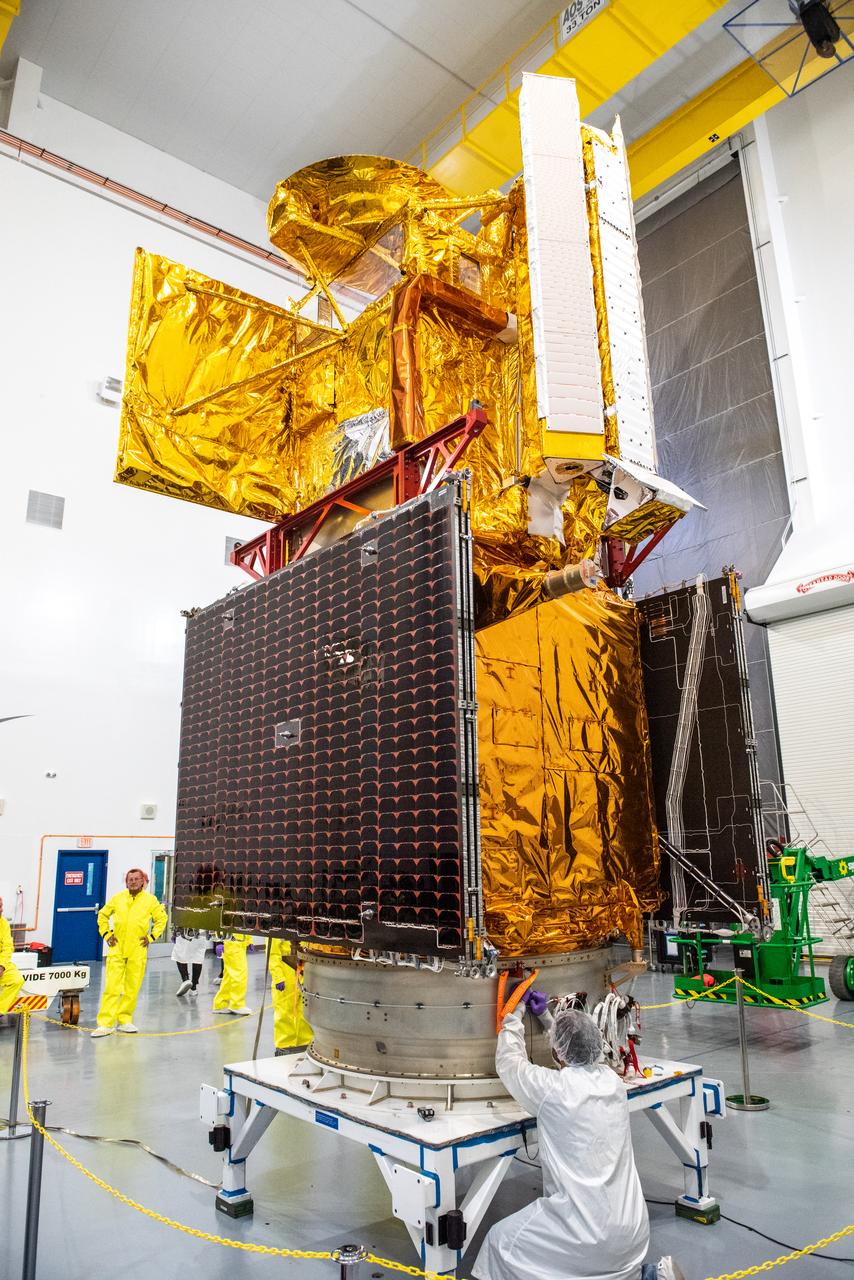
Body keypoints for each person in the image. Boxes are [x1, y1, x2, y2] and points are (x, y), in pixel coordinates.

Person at [474, 993, 685, 1280]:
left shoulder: (553, 1091)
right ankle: (647, 1277)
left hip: (584, 1235)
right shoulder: (614, 1084)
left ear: (558, 1051)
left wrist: (515, 1015)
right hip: (633, 1233)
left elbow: (511, 1064)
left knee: (499, 1244)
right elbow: (574, 1051)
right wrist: (549, 1020)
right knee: (605, 1267)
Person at [91, 868, 167, 1038]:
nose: (132, 881)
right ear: (126, 882)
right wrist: (107, 934)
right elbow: (102, 915)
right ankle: (105, 1024)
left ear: (143, 881)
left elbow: (162, 919)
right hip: (116, 949)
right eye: (129, 879)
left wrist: (152, 937)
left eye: (136, 879)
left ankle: (125, 1020)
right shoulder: (118, 899)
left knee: (132, 988)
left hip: (137, 949)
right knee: (111, 988)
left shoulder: (150, 900)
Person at [269, 938, 312, 1055]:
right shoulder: (277, 928)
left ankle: (304, 1043)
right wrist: (278, 977)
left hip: (302, 974)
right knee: (284, 1013)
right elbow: (273, 954)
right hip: (285, 977)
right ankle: (284, 1046)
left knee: (304, 1012)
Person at [212, 932, 253, 1015]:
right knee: (239, 974)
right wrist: (218, 942)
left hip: (237, 943)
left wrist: (249, 941)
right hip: (232, 944)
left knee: (229, 977)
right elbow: (220, 923)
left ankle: (221, 1004)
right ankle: (237, 1004)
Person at [0, 896, 25, 1014]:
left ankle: (0, 1009)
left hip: (1, 961)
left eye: (1, 906)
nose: (1, 910)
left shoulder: (3, 923)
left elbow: (8, 946)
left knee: (17, 980)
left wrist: (2, 965)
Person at [171, 928, 208, 997]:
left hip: (184, 930)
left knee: (180, 954)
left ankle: (185, 980)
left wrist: (175, 930)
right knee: (197, 958)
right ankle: (193, 988)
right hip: (200, 931)